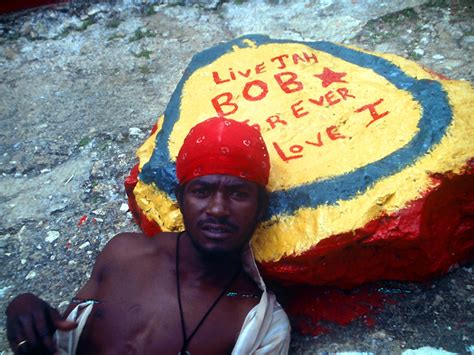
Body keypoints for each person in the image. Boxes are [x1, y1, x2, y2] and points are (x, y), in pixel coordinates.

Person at [6, 117, 291, 354]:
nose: (218, 209)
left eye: (238, 194)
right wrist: (24, 309)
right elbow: (62, 334)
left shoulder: (260, 325)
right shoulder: (124, 255)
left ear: (260, 207)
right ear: (181, 198)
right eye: (201, 192)